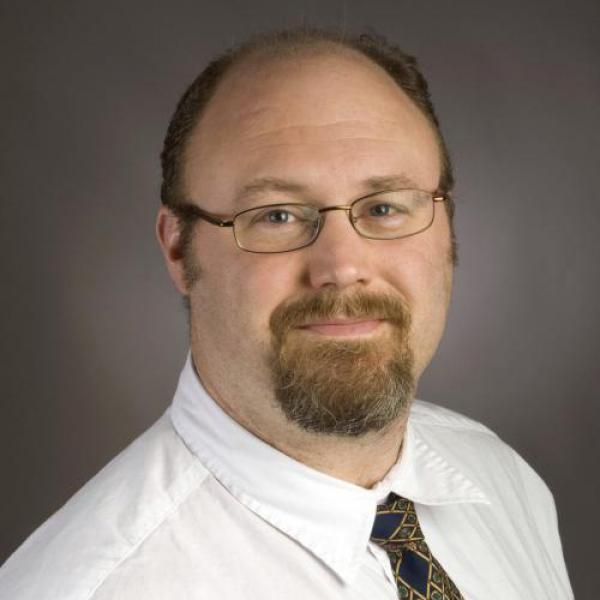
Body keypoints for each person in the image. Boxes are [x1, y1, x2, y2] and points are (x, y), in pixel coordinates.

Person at [0, 28, 573, 600]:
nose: (343, 267)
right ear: (177, 248)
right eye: (277, 215)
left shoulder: (503, 481)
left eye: (384, 207)